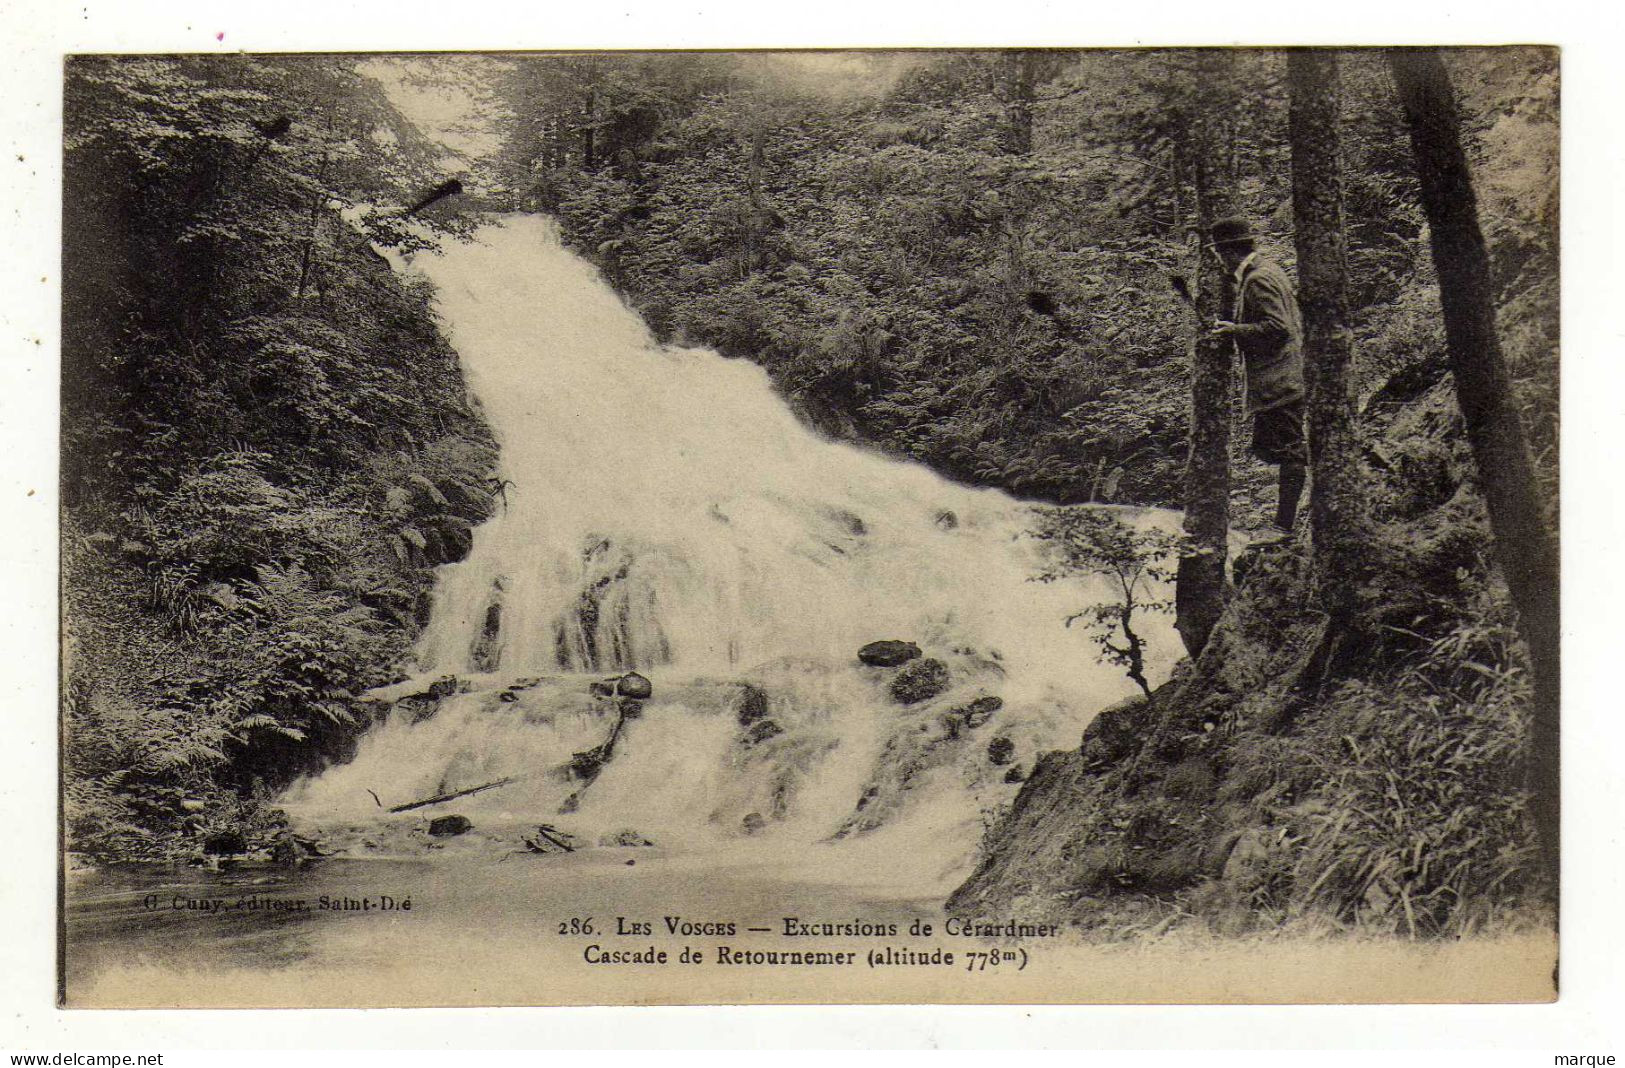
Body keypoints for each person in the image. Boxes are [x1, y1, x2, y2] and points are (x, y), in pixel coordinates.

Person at [1204, 216, 1308, 536]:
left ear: (1229, 252)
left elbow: (1278, 328)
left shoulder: (1257, 279)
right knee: (1269, 447)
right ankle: (1285, 517)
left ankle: (1283, 525)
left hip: (1281, 380)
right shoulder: (1269, 269)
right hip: (1284, 376)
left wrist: (1235, 330)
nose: (1220, 261)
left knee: (1291, 449)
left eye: (1220, 254)